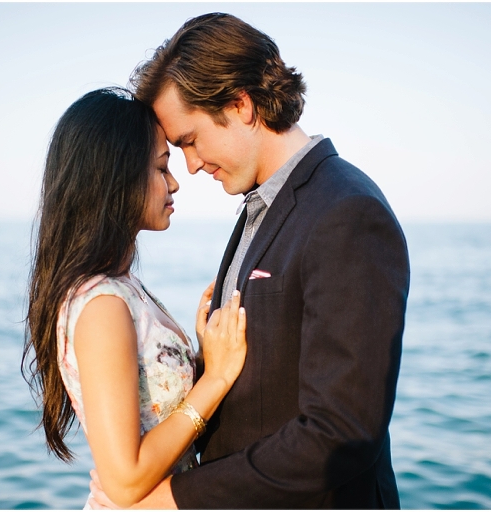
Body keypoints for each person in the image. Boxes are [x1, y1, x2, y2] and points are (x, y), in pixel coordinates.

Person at [89, 13, 410, 509]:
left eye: (190, 141)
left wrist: (176, 499)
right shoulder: (262, 209)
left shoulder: (347, 212)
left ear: (241, 104)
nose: (190, 166)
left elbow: (340, 432)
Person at [22, 87, 248, 508]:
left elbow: (153, 408)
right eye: (162, 168)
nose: (175, 182)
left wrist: (199, 356)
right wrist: (215, 378)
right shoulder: (102, 306)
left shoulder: (121, 287)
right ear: (118, 178)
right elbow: (124, 480)